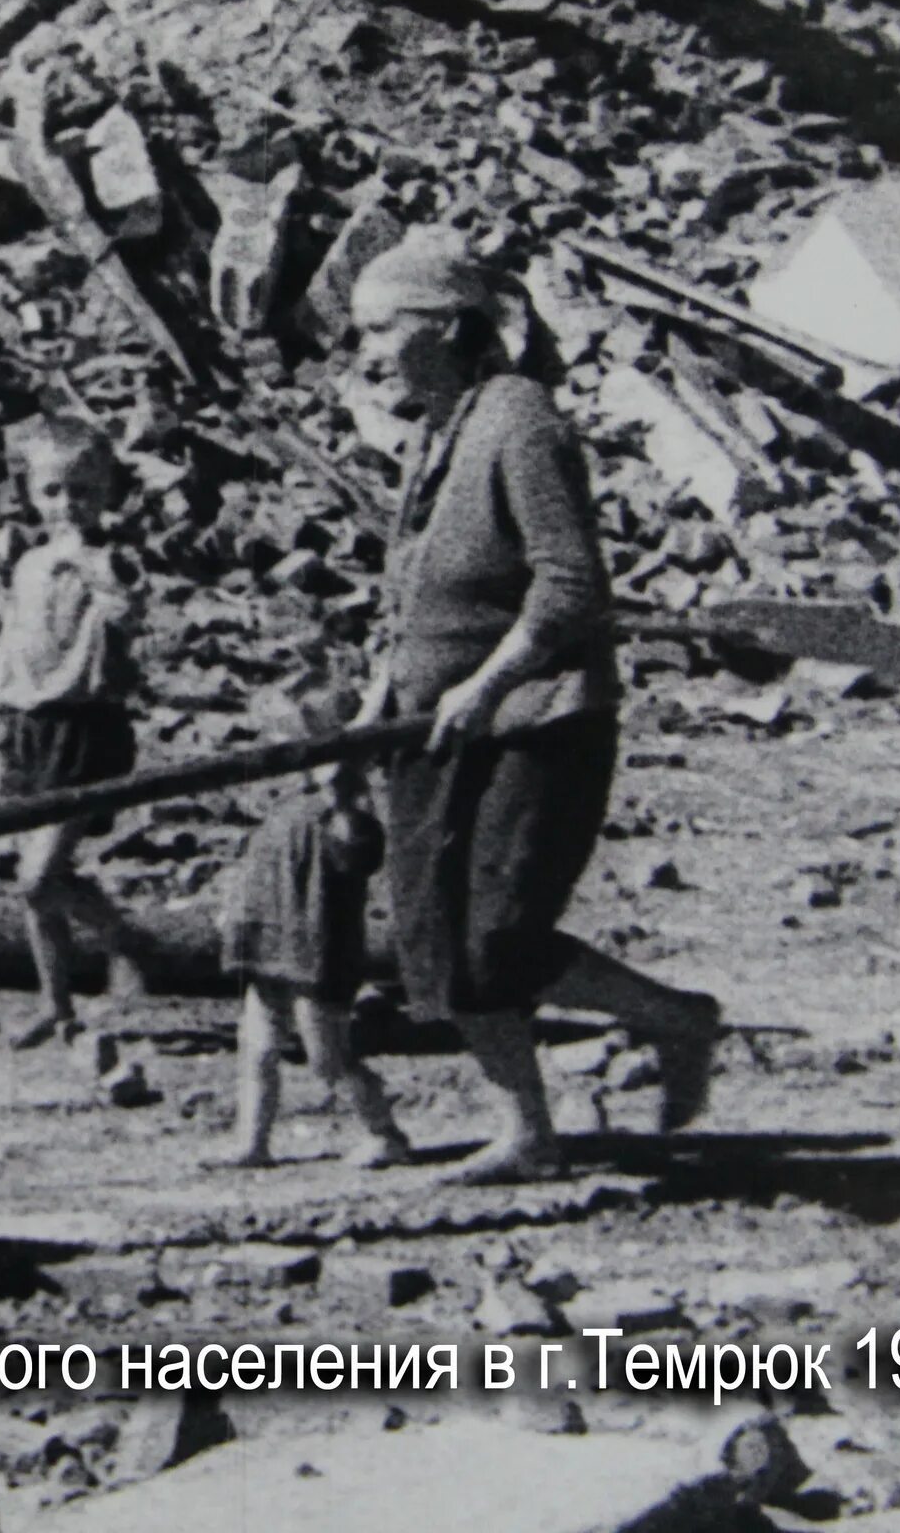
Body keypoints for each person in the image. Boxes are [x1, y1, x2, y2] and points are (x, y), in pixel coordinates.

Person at [347, 227, 720, 1184]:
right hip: (432, 728)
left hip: (540, 721)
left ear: (446, 325)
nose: (367, 350)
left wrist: (485, 686)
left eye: (382, 328)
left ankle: (673, 1019)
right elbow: (412, 605)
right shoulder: (438, 432)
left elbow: (568, 589)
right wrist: (373, 708)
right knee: (437, 942)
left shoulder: (522, 422)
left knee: (497, 932)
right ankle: (529, 1134)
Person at [0, 415, 155, 1049]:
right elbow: (13, 636)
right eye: (54, 492)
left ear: (107, 491)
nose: (68, 505)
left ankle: (122, 937)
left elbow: (130, 612)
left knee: (39, 874)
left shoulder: (107, 561)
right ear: (32, 493)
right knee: (33, 888)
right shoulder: (28, 563)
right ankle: (56, 1003)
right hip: (28, 721)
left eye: (83, 491)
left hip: (83, 725)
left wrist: (95, 568)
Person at [209, 744, 411, 1169]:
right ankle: (252, 1141)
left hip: (319, 952)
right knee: (257, 1044)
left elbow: (360, 858)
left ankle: (385, 1132)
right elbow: (259, 868)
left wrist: (342, 805)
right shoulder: (287, 809)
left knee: (327, 1056)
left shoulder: (354, 819)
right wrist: (238, 914)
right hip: (271, 943)